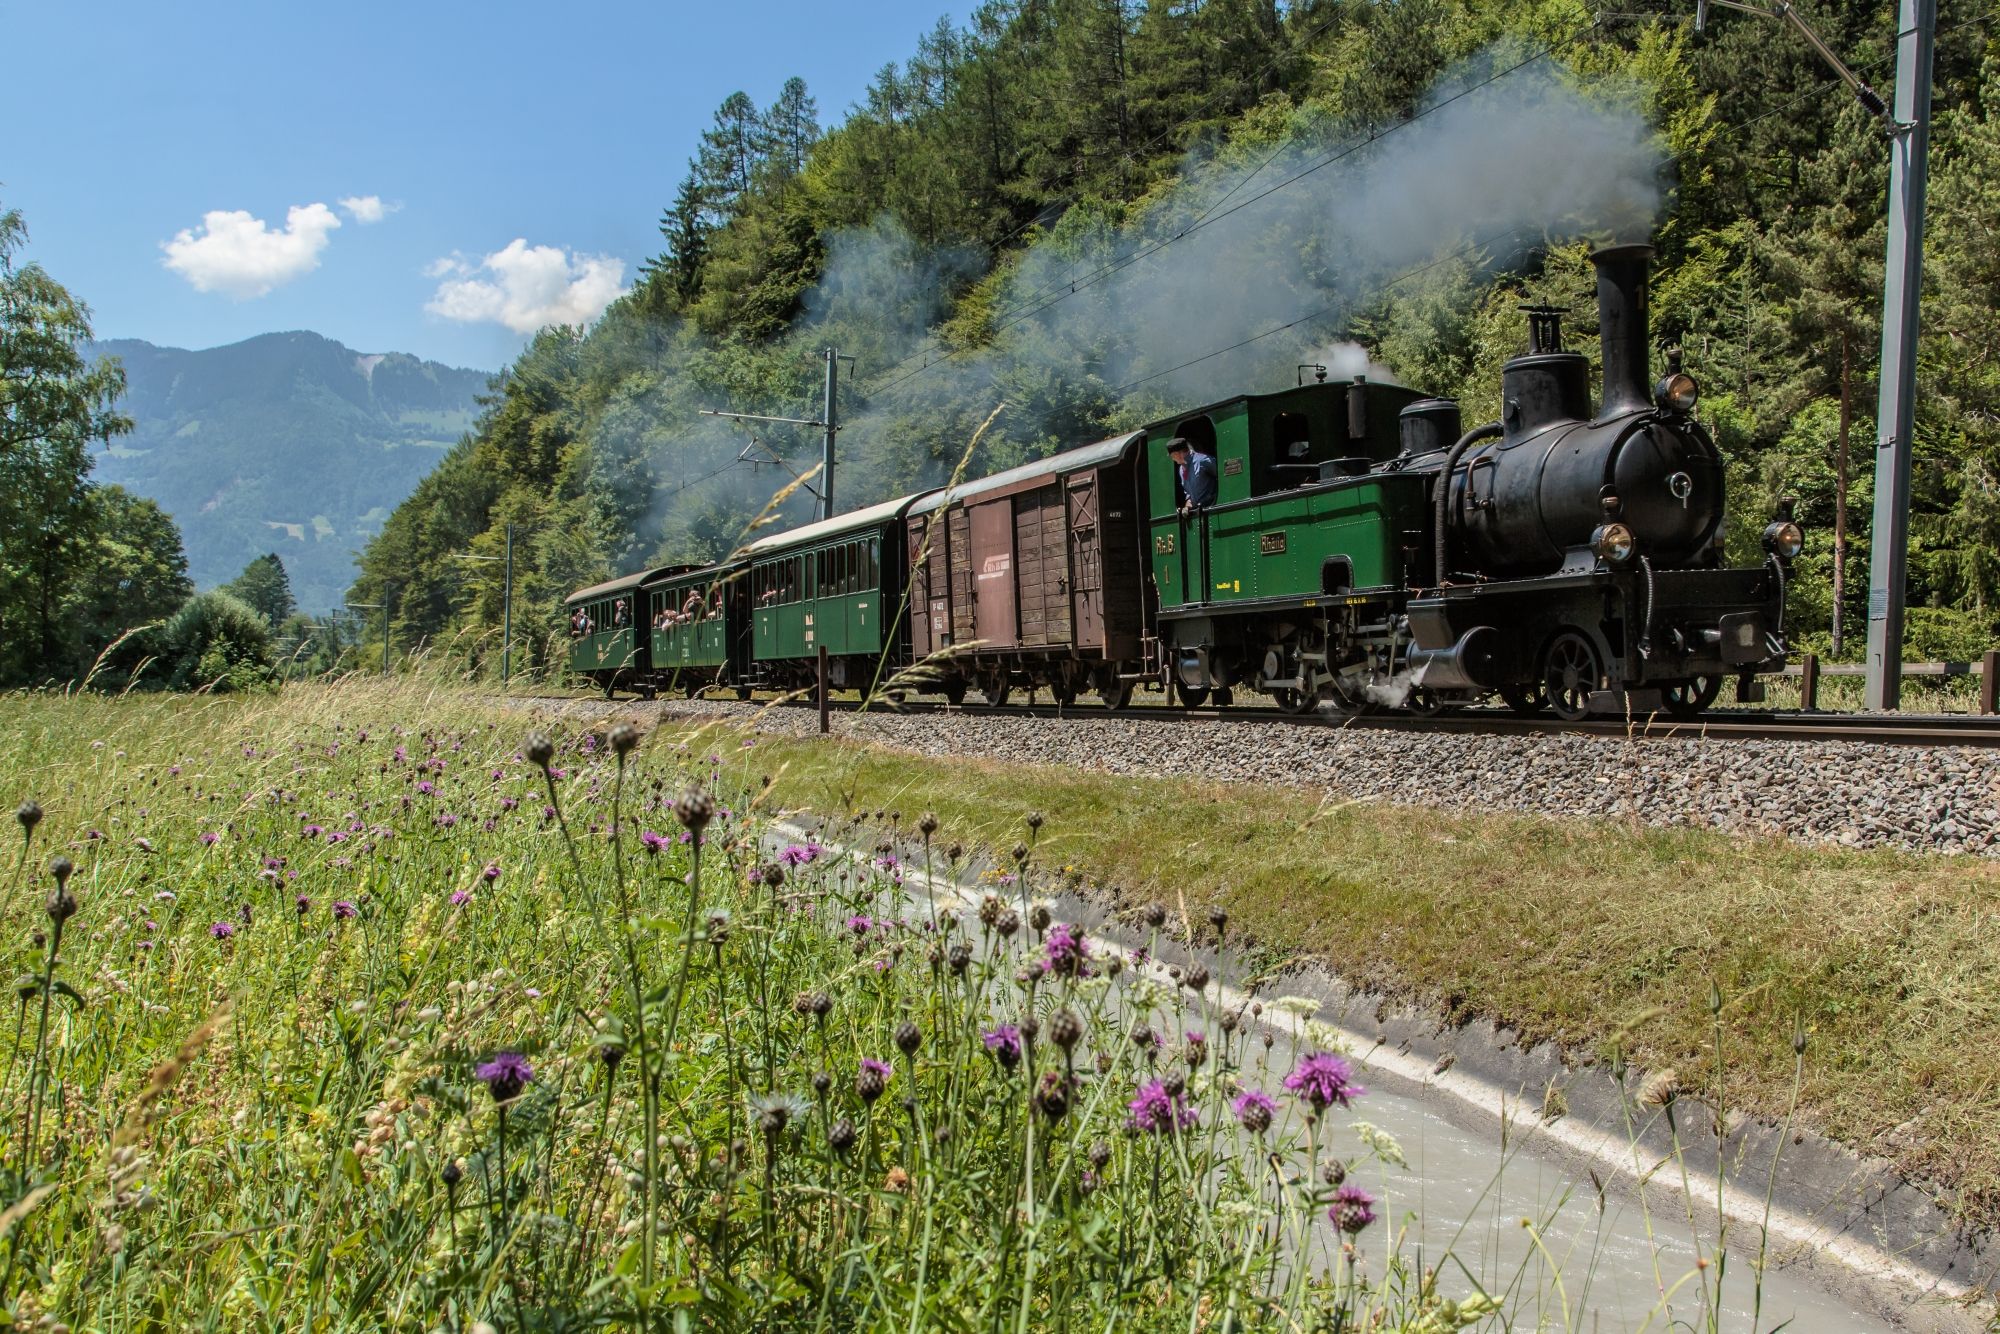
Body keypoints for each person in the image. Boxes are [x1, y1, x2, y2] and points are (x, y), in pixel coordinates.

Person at [1167, 437, 1217, 514]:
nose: (1173, 459)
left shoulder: (1202, 461)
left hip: (1213, 509)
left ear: (1178, 454)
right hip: (1199, 513)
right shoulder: (1181, 469)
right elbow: (1189, 495)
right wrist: (1187, 507)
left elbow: (1221, 475)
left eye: (1172, 456)